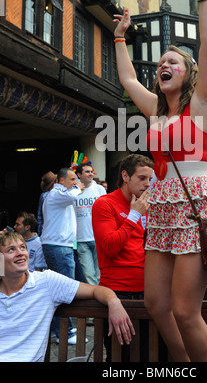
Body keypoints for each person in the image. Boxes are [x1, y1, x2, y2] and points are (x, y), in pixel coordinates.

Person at [112, 0, 207, 362]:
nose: (164, 65)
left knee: (185, 309)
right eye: (161, 62)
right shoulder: (155, 110)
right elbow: (127, 76)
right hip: (163, 202)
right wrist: (119, 35)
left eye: (173, 62)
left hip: (196, 200)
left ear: (189, 73)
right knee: (155, 305)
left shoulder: (202, 103)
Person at [0, 231, 134, 362]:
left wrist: (114, 302)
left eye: (23, 247)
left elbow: (96, 290)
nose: (20, 253)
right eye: (11, 250)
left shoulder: (46, 282)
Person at [92, 154, 154, 361]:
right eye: (142, 178)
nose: (147, 184)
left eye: (150, 179)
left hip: (145, 290)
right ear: (125, 176)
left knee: (149, 354)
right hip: (117, 292)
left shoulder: (143, 206)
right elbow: (110, 247)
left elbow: (146, 247)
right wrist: (134, 215)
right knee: (121, 357)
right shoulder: (105, 203)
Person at [40, 167, 85, 343]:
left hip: (60, 246)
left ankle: (60, 329)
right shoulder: (57, 193)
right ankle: (65, 334)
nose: (76, 182)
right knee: (64, 290)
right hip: (58, 247)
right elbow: (74, 195)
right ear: (60, 181)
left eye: (76, 179)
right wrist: (78, 187)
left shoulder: (59, 194)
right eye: (72, 179)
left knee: (62, 289)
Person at [75, 163, 106, 286]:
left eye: (91, 171)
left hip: (98, 238)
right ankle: (95, 299)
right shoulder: (74, 191)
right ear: (79, 175)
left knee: (100, 274)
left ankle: (101, 297)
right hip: (81, 239)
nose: (91, 174)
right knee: (88, 274)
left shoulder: (99, 189)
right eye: (87, 172)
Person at [36, 171, 57, 236]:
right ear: (54, 183)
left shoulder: (45, 195)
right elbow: (41, 216)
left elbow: (40, 217)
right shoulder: (46, 195)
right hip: (50, 231)